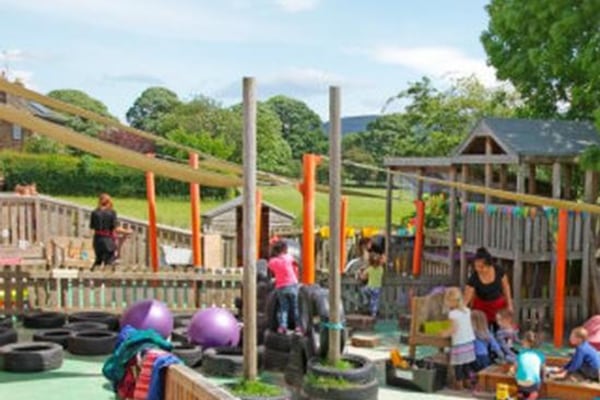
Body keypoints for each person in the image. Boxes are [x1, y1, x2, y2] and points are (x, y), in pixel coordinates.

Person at [464, 247, 514, 331]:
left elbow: (506, 287)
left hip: (498, 307)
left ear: (489, 265)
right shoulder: (473, 278)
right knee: (482, 331)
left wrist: (510, 304)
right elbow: (466, 299)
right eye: (476, 266)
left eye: (481, 267)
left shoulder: (499, 270)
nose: (478, 269)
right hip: (482, 309)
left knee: (501, 331)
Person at [440, 287, 476, 391]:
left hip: (459, 343)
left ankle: (459, 384)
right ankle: (468, 382)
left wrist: (443, 334)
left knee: (458, 366)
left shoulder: (453, 314)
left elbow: (453, 329)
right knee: (466, 364)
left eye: (447, 301)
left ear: (452, 301)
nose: (446, 303)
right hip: (469, 342)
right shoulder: (467, 310)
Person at [268, 240, 302, 335]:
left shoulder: (272, 261)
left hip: (281, 286)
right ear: (284, 249)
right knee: (295, 307)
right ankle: (298, 326)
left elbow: (271, 269)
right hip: (292, 284)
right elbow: (296, 263)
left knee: (283, 308)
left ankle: (282, 326)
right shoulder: (288, 257)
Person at [89, 193, 122, 270]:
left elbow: (92, 227)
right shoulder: (112, 212)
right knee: (109, 261)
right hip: (108, 240)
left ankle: (92, 274)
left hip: (97, 240)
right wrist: (127, 231)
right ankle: (107, 276)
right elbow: (116, 228)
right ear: (109, 202)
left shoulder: (94, 212)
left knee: (98, 260)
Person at [510, 331, 545, 400]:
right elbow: (543, 370)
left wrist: (513, 372)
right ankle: (532, 394)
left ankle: (521, 393)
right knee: (536, 387)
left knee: (516, 373)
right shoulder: (540, 354)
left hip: (520, 382)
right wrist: (542, 380)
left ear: (525, 342)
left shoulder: (521, 353)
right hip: (533, 384)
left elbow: (515, 367)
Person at [359, 252, 385, 318]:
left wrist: (360, 272)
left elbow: (363, 278)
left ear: (370, 262)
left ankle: (365, 300)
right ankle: (374, 313)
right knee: (375, 301)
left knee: (362, 290)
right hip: (377, 288)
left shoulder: (369, 269)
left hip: (370, 287)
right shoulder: (381, 269)